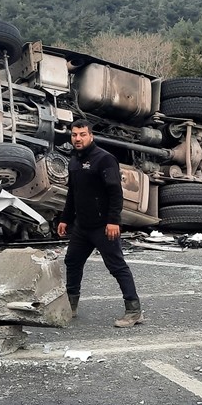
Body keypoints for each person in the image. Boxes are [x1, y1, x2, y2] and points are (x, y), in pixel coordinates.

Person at [56, 119, 144, 327]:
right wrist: (65, 219)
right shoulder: (74, 161)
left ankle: (134, 311)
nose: (78, 138)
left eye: (82, 134)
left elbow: (115, 192)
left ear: (91, 136)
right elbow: (73, 194)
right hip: (82, 226)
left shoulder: (104, 159)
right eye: (74, 135)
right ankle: (71, 305)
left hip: (103, 227)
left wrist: (113, 221)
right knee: (72, 261)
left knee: (116, 266)